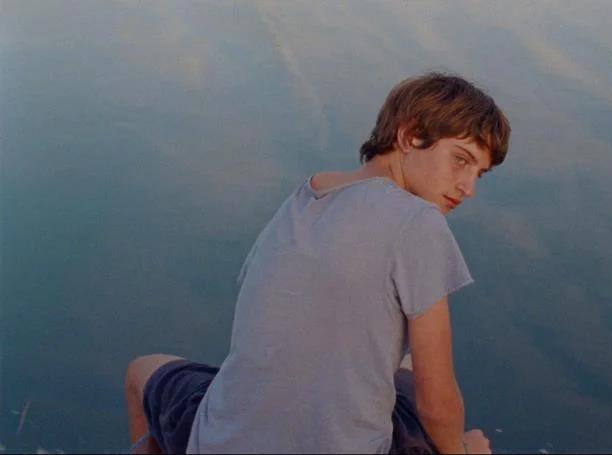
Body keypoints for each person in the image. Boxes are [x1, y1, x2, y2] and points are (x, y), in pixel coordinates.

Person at [125, 72, 511, 454]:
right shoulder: (419, 222)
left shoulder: (305, 196)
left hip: (218, 440)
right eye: (460, 160)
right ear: (410, 136)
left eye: (479, 173)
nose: (469, 187)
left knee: (143, 371)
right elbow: (436, 401)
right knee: (450, 418)